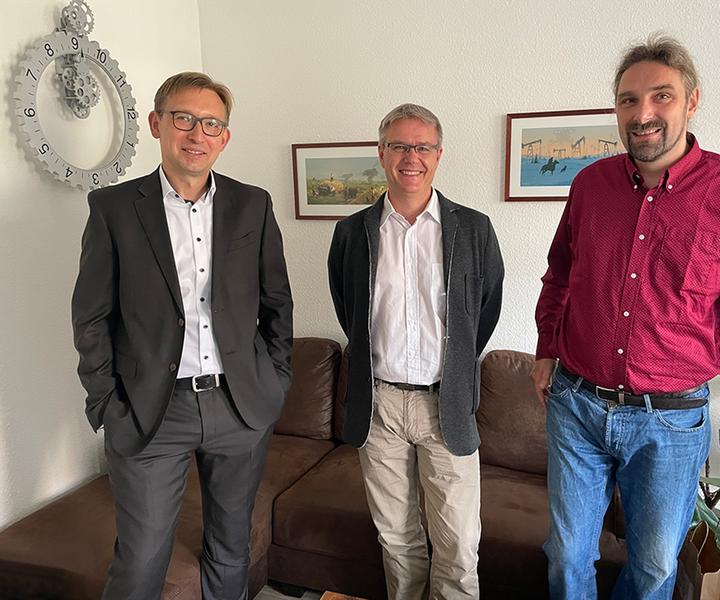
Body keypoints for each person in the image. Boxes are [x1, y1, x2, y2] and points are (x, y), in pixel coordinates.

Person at [532, 34, 720, 599]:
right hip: (577, 406)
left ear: (692, 101)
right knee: (566, 554)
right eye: (628, 100)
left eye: (661, 97)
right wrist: (546, 349)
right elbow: (560, 273)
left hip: (672, 422)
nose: (643, 113)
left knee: (654, 567)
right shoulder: (589, 185)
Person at [72, 72, 292, 599]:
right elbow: (91, 318)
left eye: (211, 123)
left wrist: (276, 378)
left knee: (231, 546)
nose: (197, 133)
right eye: (184, 118)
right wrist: (106, 403)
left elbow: (276, 302)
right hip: (152, 410)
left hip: (239, 404)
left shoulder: (252, 205)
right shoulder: (114, 209)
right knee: (143, 556)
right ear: (157, 124)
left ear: (225, 137)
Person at [328, 103, 504, 599]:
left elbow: (482, 313)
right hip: (379, 405)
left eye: (423, 146)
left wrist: (454, 366)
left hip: (444, 405)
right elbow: (349, 310)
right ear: (381, 154)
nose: (412, 157)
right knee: (397, 540)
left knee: (459, 545)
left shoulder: (473, 230)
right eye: (400, 146)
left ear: (439, 155)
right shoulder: (352, 233)